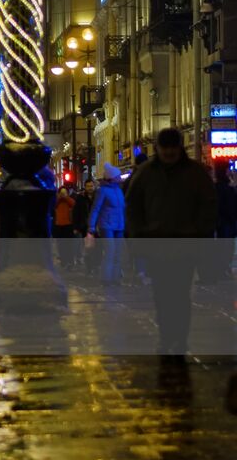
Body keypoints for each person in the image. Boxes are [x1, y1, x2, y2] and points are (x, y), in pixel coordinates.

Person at [124, 127, 218, 356]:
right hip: (157, 246)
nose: (168, 154)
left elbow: (209, 207)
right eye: (165, 150)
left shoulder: (195, 174)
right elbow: (133, 208)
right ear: (158, 148)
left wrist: (200, 234)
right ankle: (167, 337)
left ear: (178, 148)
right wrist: (138, 238)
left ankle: (178, 339)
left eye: (172, 150)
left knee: (180, 294)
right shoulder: (146, 174)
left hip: (186, 245)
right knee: (162, 295)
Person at [88, 164, 126, 284]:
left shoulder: (119, 190)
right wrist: (91, 226)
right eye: (118, 176)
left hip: (119, 226)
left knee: (118, 253)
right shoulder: (102, 191)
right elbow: (96, 208)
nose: (120, 177)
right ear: (112, 177)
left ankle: (115, 278)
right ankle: (106, 278)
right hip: (107, 225)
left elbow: (122, 208)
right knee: (110, 251)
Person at [54, 186, 77, 269]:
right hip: (59, 226)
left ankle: (70, 261)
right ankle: (63, 261)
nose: (63, 194)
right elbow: (54, 205)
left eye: (65, 193)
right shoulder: (57, 201)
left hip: (68, 225)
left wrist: (66, 198)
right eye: (61, 193)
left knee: (69, 245)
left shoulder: (69, 200)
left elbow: (73, 204)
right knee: (61, 245)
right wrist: (60, 198)